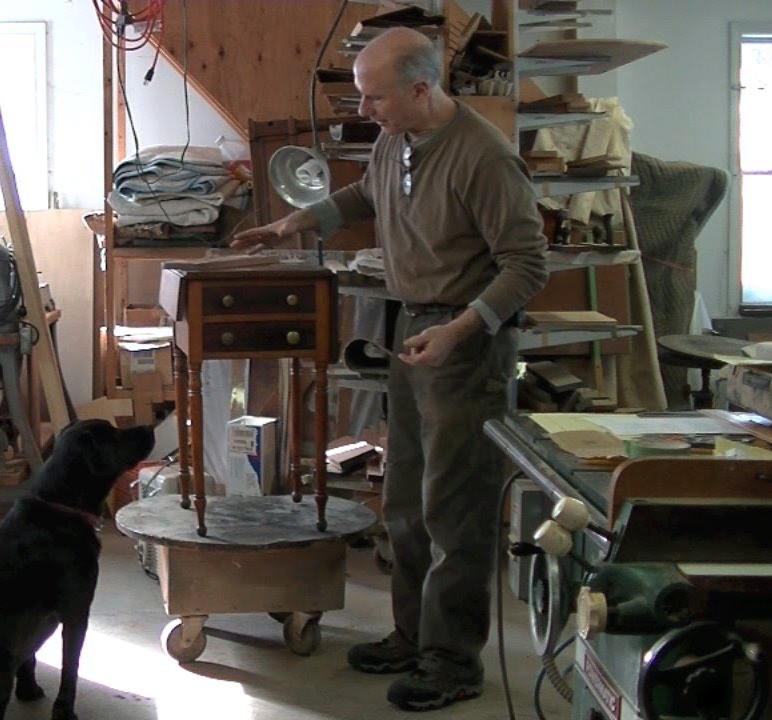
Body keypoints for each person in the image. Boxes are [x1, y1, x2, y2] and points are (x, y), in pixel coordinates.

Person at [232, 27, 547, 712]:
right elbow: (366, 196)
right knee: (404, 496)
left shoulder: (484, 158)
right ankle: (413, 636)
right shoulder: (395, 140)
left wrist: (460, 330)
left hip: (467, 342)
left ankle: (453, 660)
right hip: (413, 328)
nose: (364, 109)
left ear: (420, 89)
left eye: (374, 98)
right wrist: (292, 224)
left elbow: (528, 265)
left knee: (455, 508)